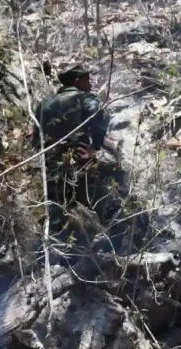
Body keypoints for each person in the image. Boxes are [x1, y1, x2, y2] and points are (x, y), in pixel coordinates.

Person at [31, 63, 115, 234]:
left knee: (58, 212)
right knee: (99, 206)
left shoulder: (42, 105)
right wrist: (96, 147)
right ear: (77, 82)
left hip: (52, 169)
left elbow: (36, 140)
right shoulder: (84, 98)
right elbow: (99, 114)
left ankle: (56, 251)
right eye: (87, 80)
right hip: (80, 164)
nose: (91, 84)